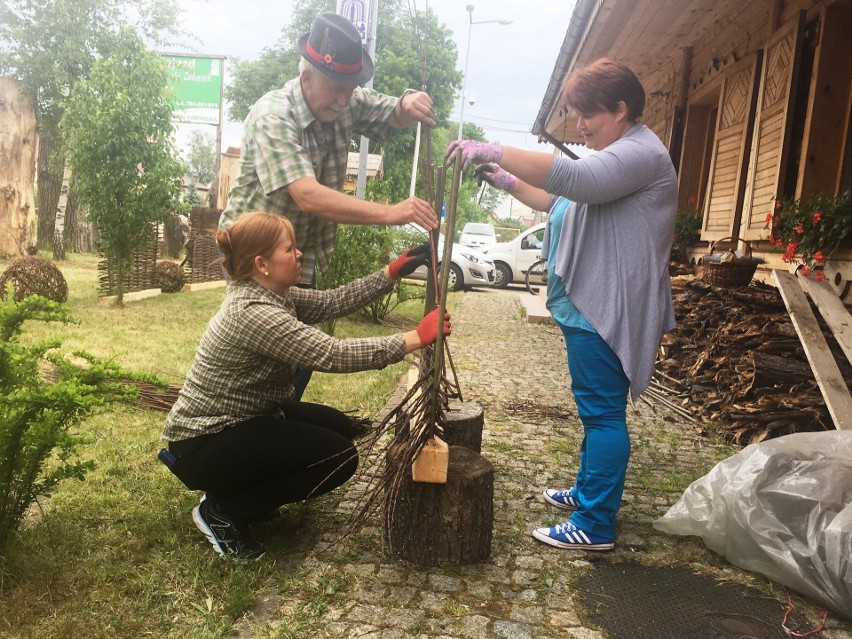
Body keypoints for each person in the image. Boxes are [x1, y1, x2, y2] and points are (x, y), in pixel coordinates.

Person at [454, 58, 677, 551]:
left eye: (587, 115)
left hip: (606, 309)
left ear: (621, 109)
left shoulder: (639, 153)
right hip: (589, 308)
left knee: (602, 414)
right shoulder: (618, 155)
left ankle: (595, 524)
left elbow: (575, 182)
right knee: (593, 410)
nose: (579, 126)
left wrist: (495, 147)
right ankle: (587, 491)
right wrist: (499, 176)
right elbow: (554, 199)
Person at [160, 211, 451, 561]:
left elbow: (331, 302)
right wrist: (414, 338)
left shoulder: (271, 294)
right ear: (262, 263)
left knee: (339, 428)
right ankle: (224, 510)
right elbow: (332, 354)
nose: (298, 254)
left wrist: (389, 273)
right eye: (289, 248)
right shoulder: (254, 313)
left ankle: (242, 488)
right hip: (205, 442)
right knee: (339, 458)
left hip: (243, 422)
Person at [221, 12, 438, 401]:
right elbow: (308, 195)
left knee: (298, 359)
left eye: (351, 88)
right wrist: (393, 213)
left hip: (301, 256)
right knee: (271, 361)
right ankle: (245, 427)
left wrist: (410, 102)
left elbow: (394, 111)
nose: (344, 100)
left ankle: (277, 422)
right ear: (306, 78)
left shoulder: (345, 102)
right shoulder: (273, 115)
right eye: (336, 88)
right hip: (256, 261)